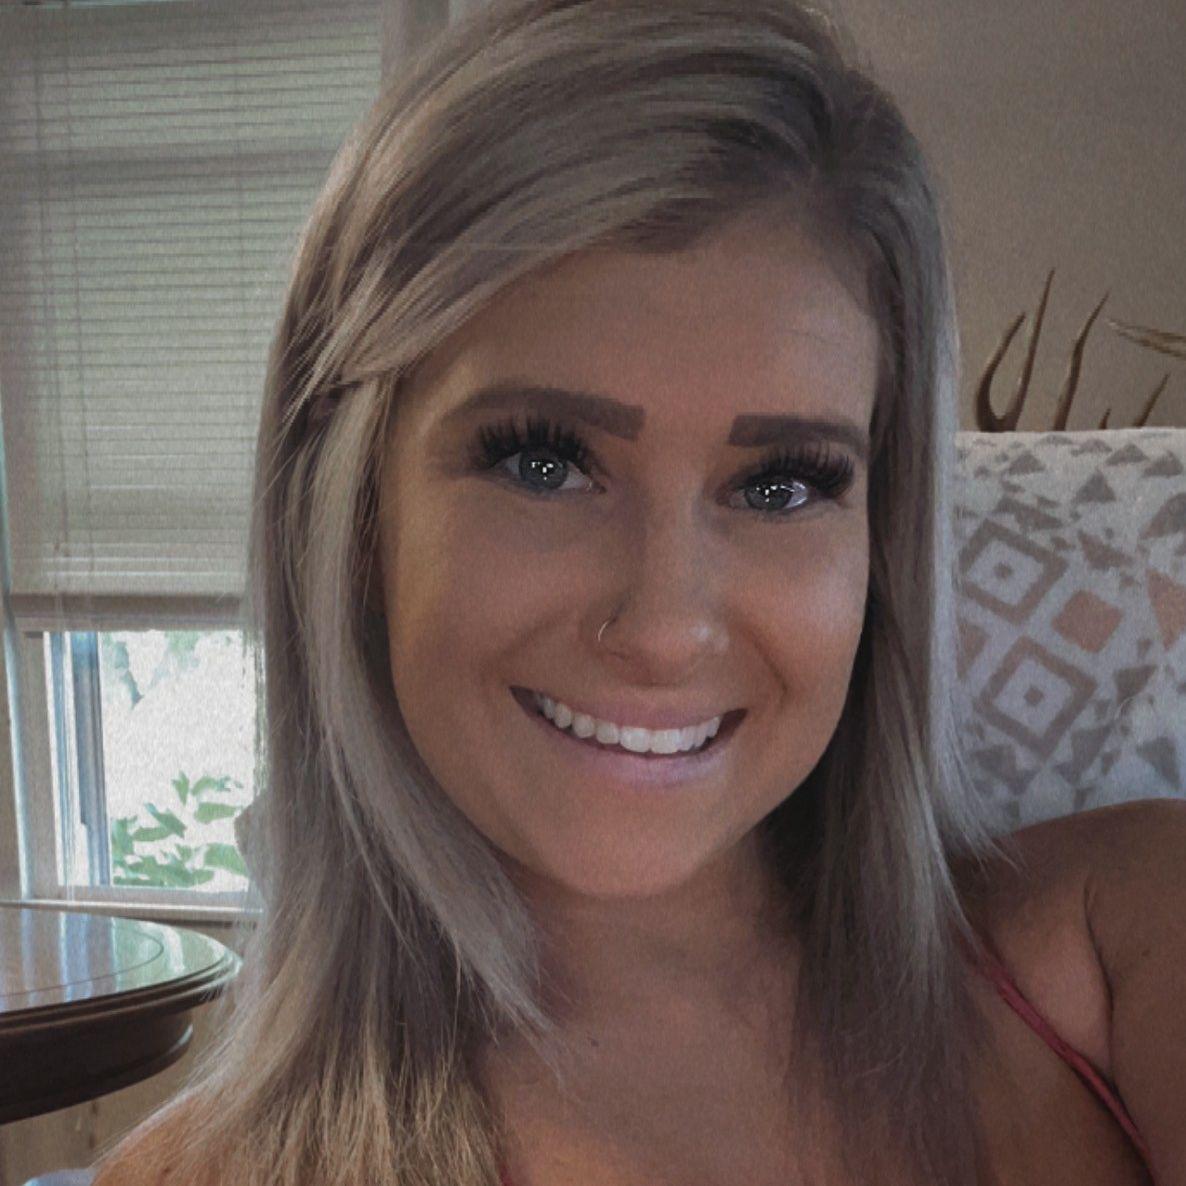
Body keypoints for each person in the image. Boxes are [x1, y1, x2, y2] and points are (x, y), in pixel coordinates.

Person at [92, 2, 1183, 1184]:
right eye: (541, 462)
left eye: (780, 483)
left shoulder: (1127, 926)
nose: (665, 628)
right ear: (351, 514)